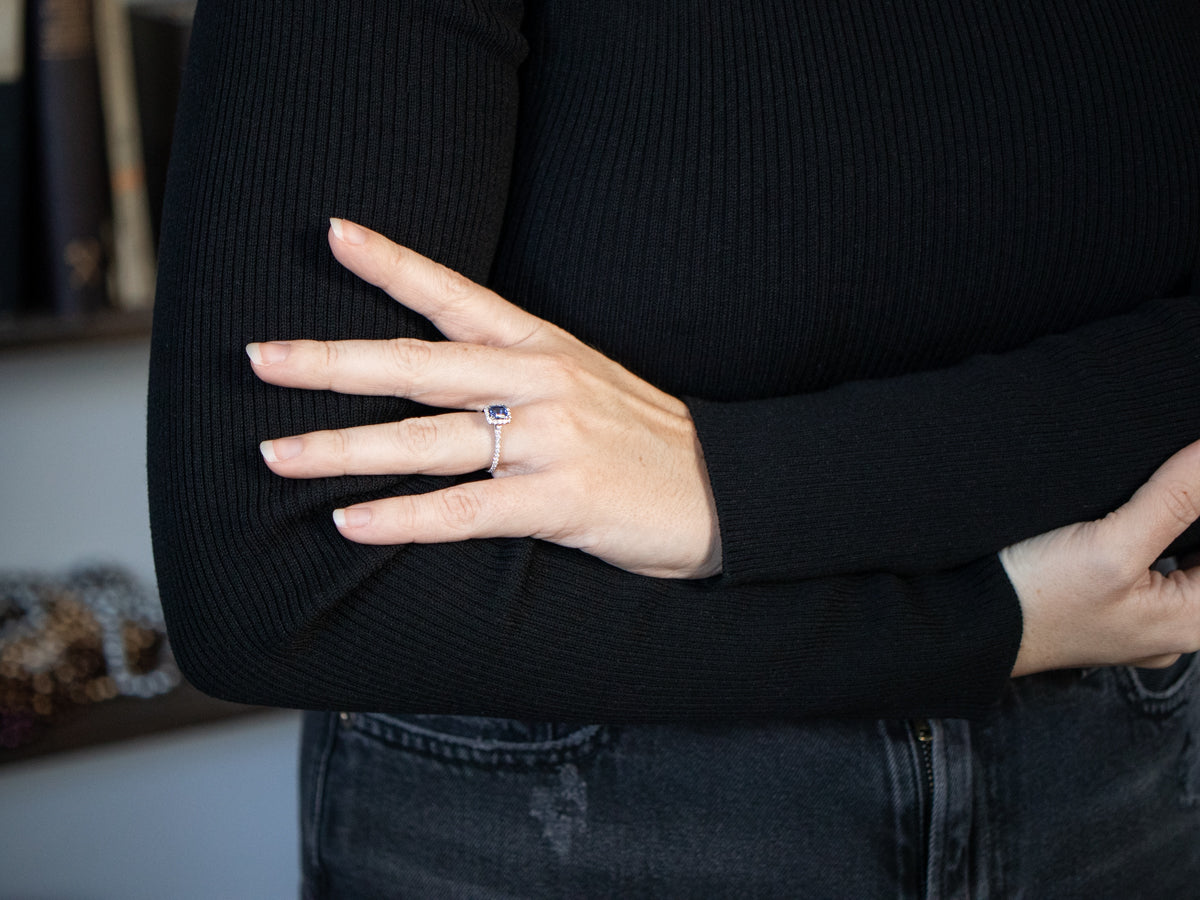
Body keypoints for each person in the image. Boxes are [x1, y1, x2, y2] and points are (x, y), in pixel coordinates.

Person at [146, 0, 1200, 896]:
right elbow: (277, 588)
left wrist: (729, 486)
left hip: (1115, 759)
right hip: (570, 808)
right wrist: (984, 625)